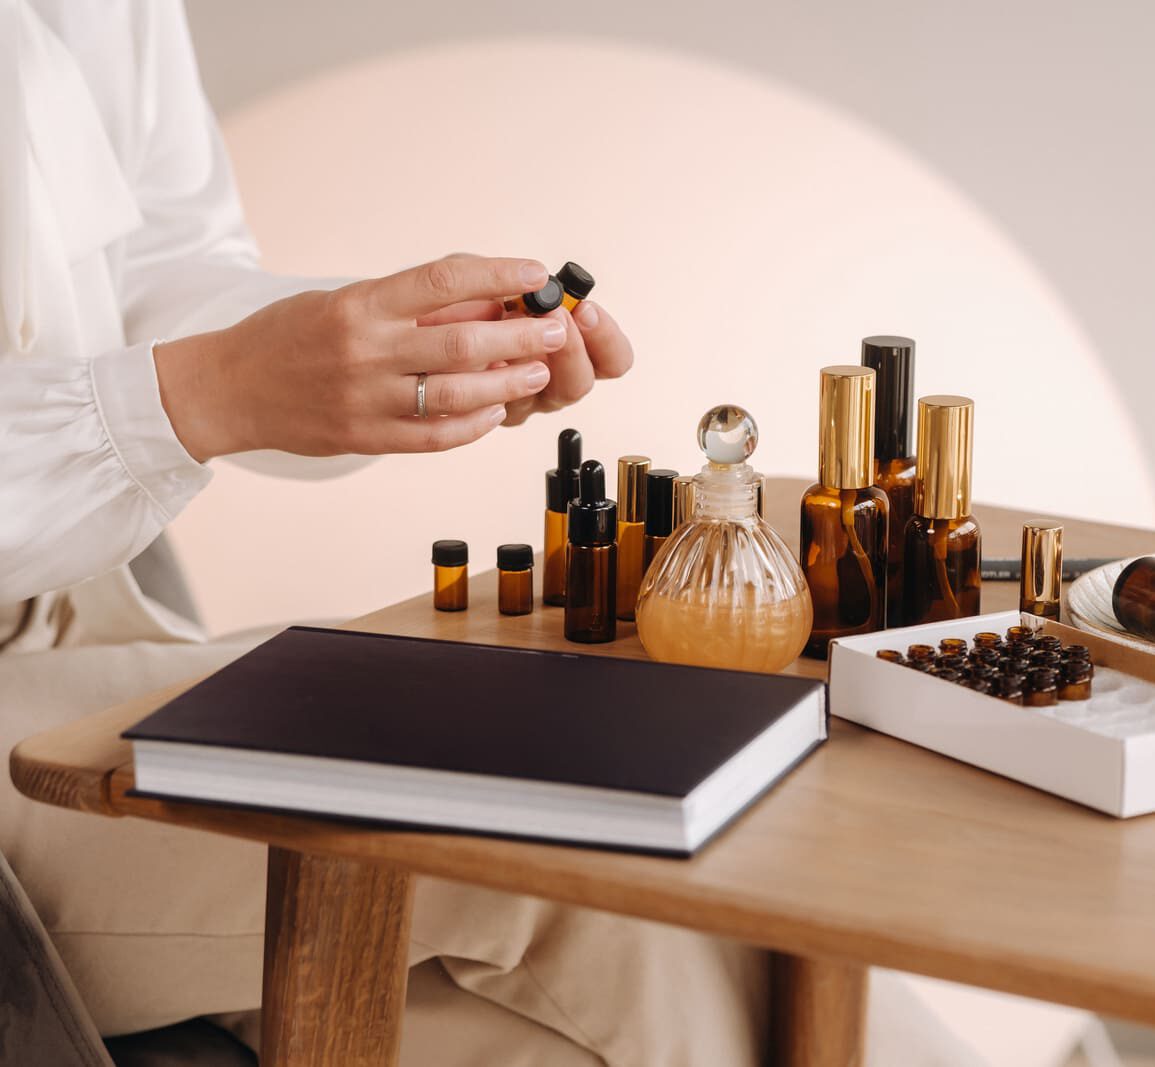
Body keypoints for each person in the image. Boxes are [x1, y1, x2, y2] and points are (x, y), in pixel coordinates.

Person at [0, 2, 769, 1062]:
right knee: (596, 852)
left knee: (649, 916)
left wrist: (371, 349)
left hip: (70, 620)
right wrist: (199, 394)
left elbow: (157, 265)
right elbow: (176, 379)